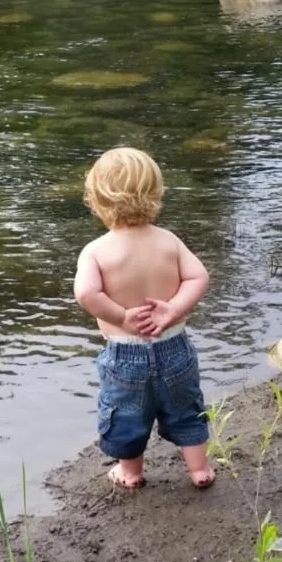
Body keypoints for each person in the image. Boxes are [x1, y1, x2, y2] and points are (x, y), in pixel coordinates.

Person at [74, 147, 215, 490]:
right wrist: (173, 309)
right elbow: (199, 277)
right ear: (156, 193)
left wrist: (122, 316)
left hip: (125, 355)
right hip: (175, 347)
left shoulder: (96, 250)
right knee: (186, 408)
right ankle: (199, 469)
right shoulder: (168, 241)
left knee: (126, 414)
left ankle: (130, 473)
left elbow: (87, 294)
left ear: (96, 200)